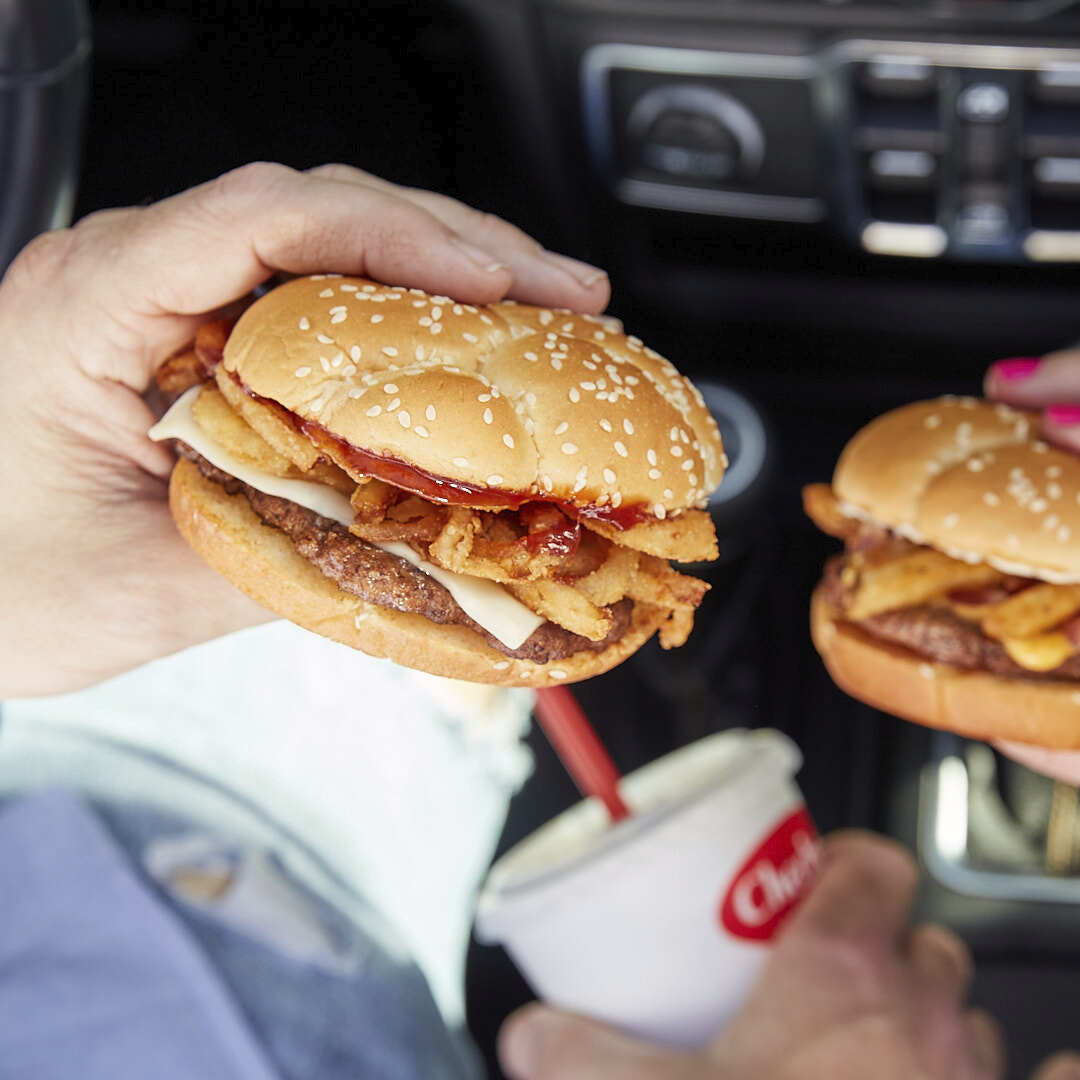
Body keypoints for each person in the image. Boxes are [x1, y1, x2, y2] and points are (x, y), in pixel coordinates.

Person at [0, 161, 1075, 1078]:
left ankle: (444, 700)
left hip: (144, 766)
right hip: (302, 839)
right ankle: (448, 703)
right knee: (411, 699)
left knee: (404, 694)